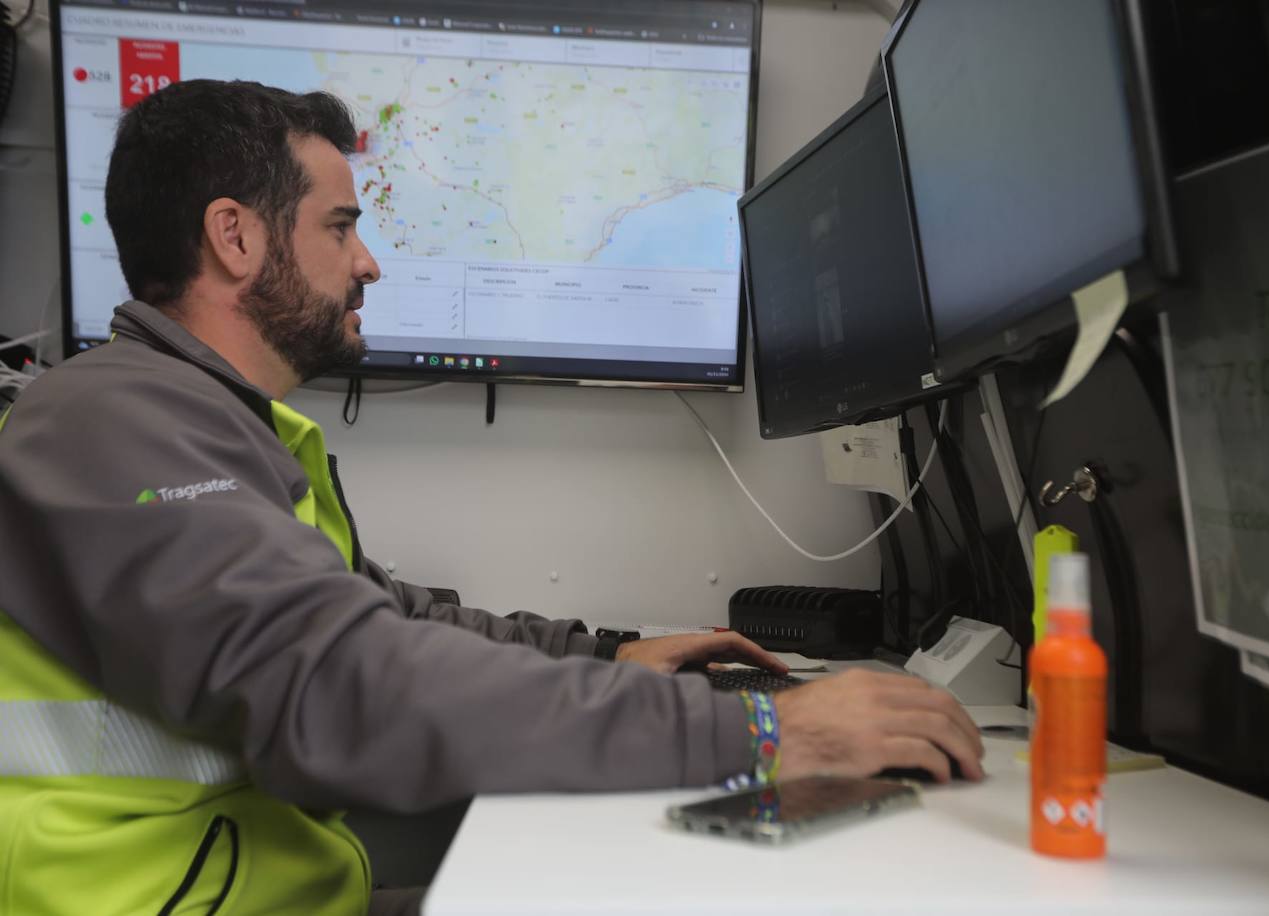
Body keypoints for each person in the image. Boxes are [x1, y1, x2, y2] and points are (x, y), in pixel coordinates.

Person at [0, 80, 984, 915]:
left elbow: (386, 615)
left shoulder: (211, 420)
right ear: (236, 237)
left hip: (254, 875)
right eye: (341, 227)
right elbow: (348, 681)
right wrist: (765, 733)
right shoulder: (107, 419)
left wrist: (604, 653)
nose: (368, 261)